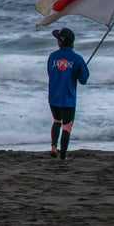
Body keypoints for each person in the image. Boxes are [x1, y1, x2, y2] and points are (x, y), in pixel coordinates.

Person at [47, 27, 89, 162]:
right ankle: (63, 156)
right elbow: (84, 79)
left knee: (56, 121)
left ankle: (53, 146)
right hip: (68, 100)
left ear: (59, 42)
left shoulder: (52, 56)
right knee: (67, 127)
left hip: (53, 97)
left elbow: (51, 74)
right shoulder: (77, 58)